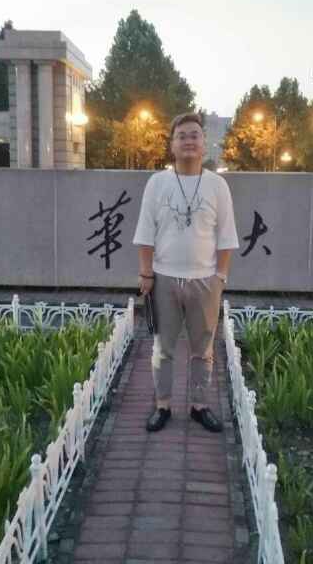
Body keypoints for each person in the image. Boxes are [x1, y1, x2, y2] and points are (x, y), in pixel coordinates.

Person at [132, 112, 239, 433]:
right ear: (172, 145)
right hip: (163, 278)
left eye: (194, 135)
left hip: (206, 280)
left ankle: (199, 405)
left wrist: (220, 277)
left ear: (204, 143)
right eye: (182, 136)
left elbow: (227, 235)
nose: (189, 141)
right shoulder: (157, 183)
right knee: (162, 348)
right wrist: (146, 274)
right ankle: (162, 405)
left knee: (202, 349)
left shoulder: (217, 185)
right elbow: (145, 230)